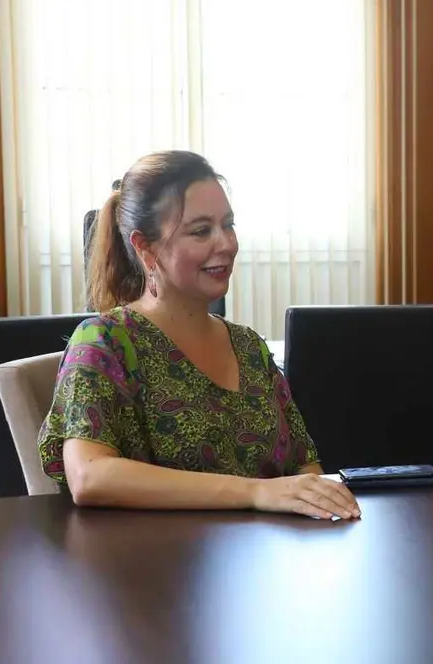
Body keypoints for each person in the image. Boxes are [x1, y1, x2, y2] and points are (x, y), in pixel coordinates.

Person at [38, 151, 360, 521]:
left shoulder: (249, 347)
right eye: (201, 230)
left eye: (228, 224)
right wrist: (254, 492)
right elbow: (89, 476)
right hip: (152, 568)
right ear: (145, 248)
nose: (226, 244)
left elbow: (306, 470)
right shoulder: (104, 342)